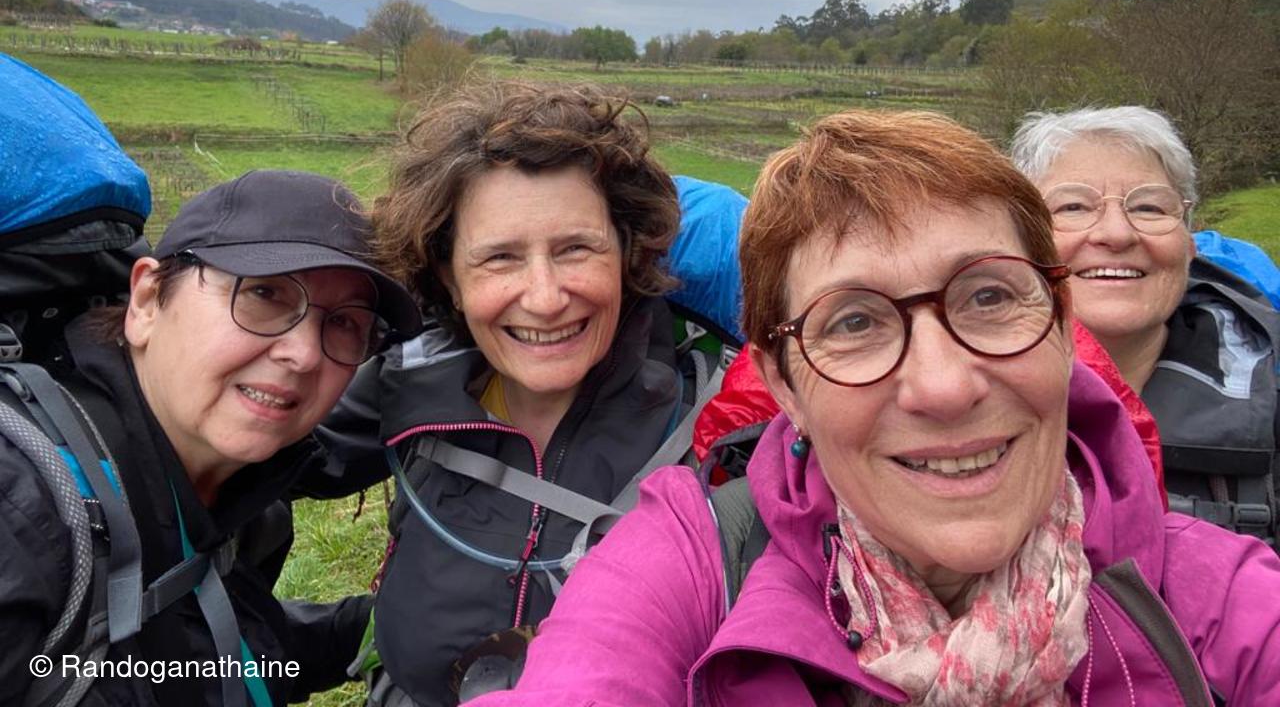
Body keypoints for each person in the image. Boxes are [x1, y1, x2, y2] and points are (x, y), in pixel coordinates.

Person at [468, 109, 1280, 706]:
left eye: (990, 296)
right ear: (785, 385)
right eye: (853, 322)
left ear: (1065, 329)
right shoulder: (694, 561)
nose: (944, 386)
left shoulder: (1223, 600)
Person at [304, 82, 705, 706]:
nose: (544, 298)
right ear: (449, 278)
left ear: (626, 254)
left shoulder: (709, 434)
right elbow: (262, 464)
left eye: (576, 248)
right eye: (500, 258)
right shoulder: (410, 379)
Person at [0, 169, 420, 707]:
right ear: (147, 299)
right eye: (264, 293)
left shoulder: (236, 494)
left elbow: (196, 650)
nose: (304, 353)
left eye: (345, 323)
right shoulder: (21, 509)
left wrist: (376, 626)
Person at [1011, 106, 1279, 545]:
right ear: (1017, 242)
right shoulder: (949, 396)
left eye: (1149, 207)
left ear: (1189, 244)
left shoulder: (1272, 394)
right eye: (1073, 206)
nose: (1117, 234)